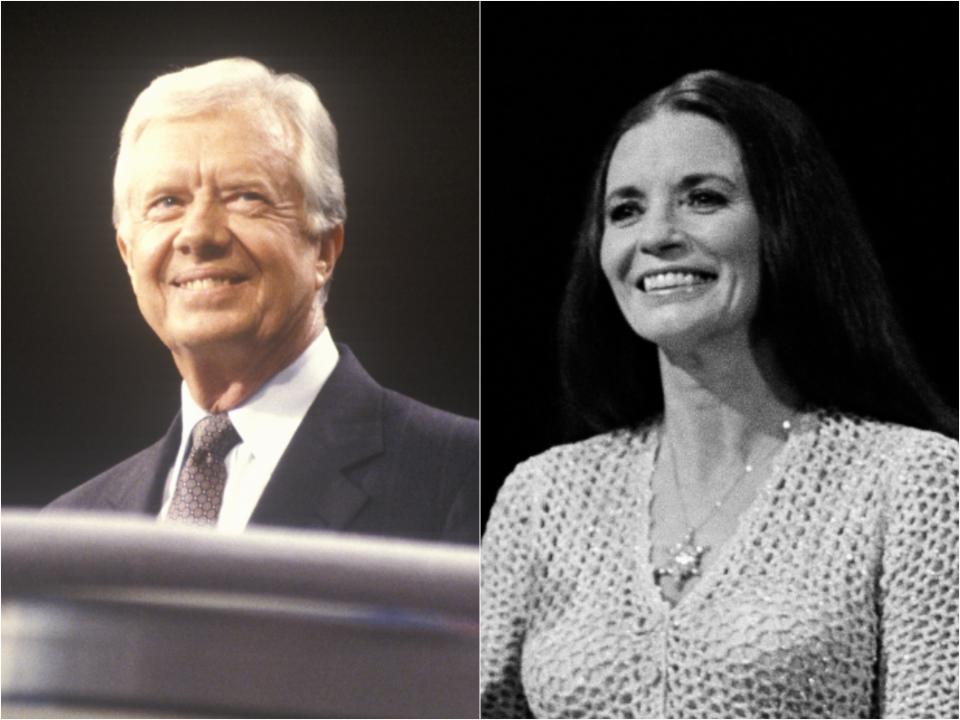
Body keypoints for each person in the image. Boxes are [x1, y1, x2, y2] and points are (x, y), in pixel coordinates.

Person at [481, 70, 958, 718]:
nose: (656, 236)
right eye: (625, 210)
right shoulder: (543, 499)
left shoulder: (910, 484)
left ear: (785, 223)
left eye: (702, 198)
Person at [48, 58, 478, 544]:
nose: (199, 235)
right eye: (167, 202)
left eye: (244, 196)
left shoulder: (466, 476)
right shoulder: (68, 530)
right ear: (128, 253)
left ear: (323, 247)